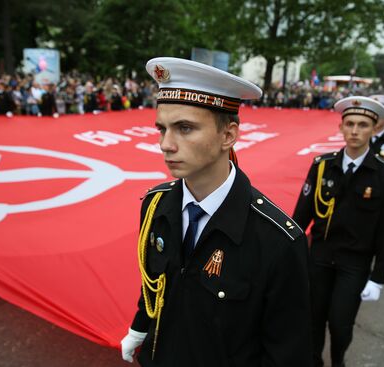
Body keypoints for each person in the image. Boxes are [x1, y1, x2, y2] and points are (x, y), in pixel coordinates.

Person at [121, 57, 312, 366]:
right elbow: (155, 283)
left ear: (228, 135)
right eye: (162, 128)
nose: (165, 144)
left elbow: (287, 353)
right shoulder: (155, 206)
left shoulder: (277, 241)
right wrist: (140, 327)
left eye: (185, 128)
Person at [293, 96, 384, 367]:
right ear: (340, 128)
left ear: (374, 130)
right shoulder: (322, 165)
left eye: (362, 125)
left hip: (354, 263)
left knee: (340, 324)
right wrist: (288, 255)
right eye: (349, 123)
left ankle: (338, 359)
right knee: (312, 319)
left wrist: (379, 277)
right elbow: (300, 216)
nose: (354, 130)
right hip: (319, 257)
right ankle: (314, 361)